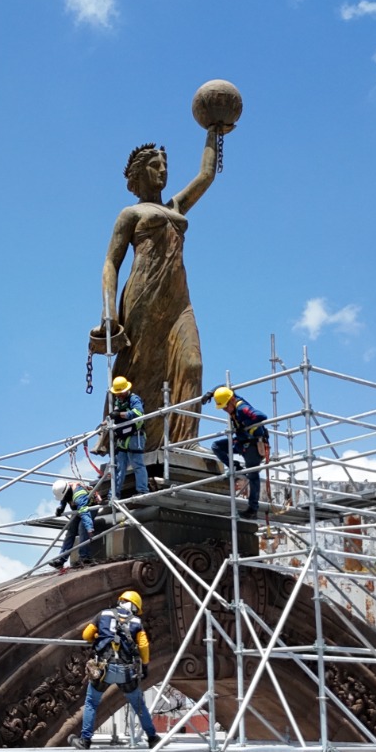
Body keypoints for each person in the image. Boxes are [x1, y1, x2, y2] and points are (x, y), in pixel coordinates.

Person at [90, 124, 231, 453]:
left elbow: (206, 175)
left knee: (192, 364)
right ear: (138, 175)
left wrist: (214, 130)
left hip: (178, 300)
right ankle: (128, 441)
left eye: (165, 164)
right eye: (155, 165)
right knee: (140, 369)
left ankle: (185, 442)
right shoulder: (131, 213)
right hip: (143, 297)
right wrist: (109, 312)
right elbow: (110, 262)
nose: (163, 170)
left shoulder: (175, 207)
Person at [68, 591, 160, 750]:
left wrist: (98, 636)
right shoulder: (137, 622)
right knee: (138, 704)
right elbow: (144, 645)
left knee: (91, 703)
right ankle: (152, 738)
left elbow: (86, 635)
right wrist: (144, 665)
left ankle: (85, 740)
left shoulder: (103, 614)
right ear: (134, 607)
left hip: (104, 670)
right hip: (126, 672)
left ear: (121, 601)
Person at [209, 386, 269, 518]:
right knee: (216, 446)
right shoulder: (232, 400)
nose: (225, 409)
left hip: (253, 445)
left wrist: (244, 424)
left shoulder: (242, 408)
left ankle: (253, 509)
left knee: (253, 474)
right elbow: (225, 387)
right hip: (241, 443)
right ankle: (235, 466)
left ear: (231, 400)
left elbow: (261, 416)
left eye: (225, 406)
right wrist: (211, 393)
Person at [106, 376, 150, 499]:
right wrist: (106, 422)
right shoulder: (118, 401)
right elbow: (114, 415)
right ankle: (113, 494)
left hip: (135, 436)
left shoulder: (134, 399)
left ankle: (143, 491)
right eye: (117, 393)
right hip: (123, 438)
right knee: (119, 467)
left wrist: (120, 414)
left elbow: (138, 413)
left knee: (137, 464)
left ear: (126, 390)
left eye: (120, 393)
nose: (119, 396)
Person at [50, 479, 97, 570]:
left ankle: (85, 557)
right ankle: (61, 559)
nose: (64, 499)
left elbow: (84, 512)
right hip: (78, 510)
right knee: (70, 532)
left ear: (67, 493)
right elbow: (63, 499)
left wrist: (89, 527)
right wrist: (61, 508)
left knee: (82, 528)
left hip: (89, 508)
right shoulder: (66, 492)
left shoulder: (79, 495)